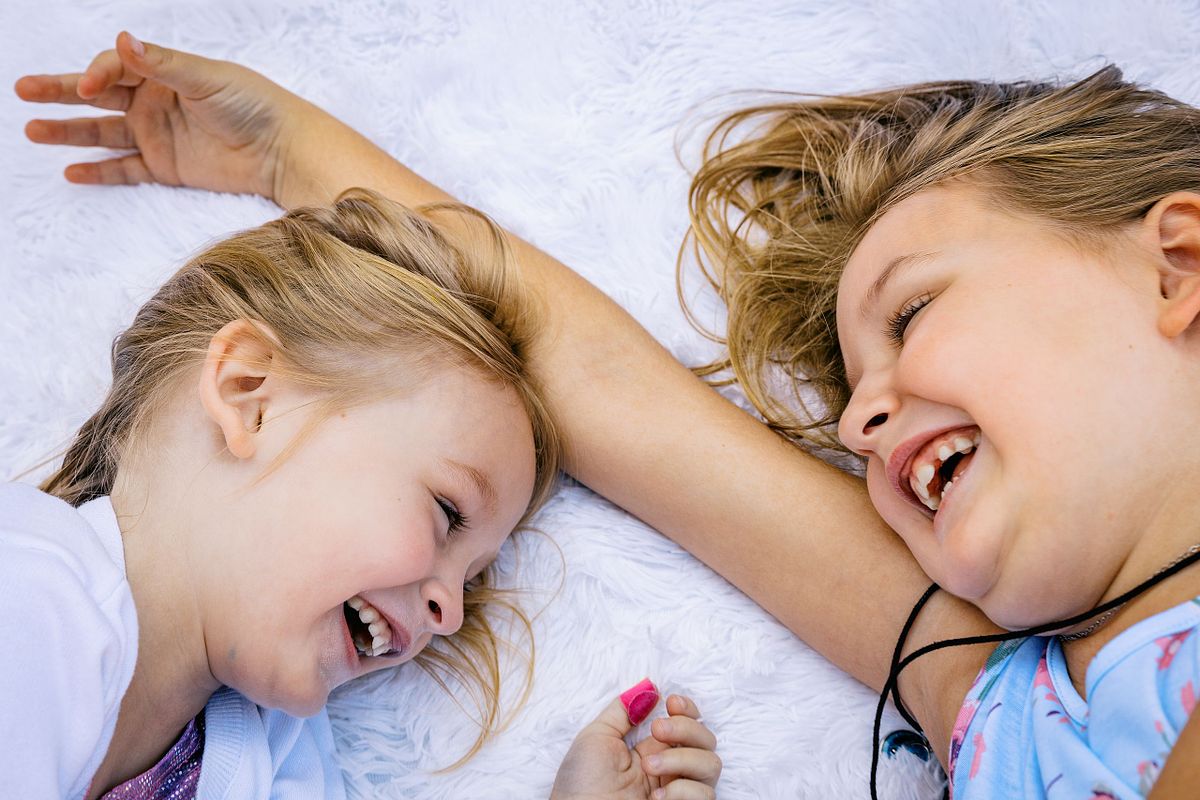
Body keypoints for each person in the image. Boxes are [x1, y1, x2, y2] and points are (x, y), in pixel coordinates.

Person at [17, 30, 1200, 797]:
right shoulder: (998, 699)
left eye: (913, 309)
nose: (859, 428)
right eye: (853, 397)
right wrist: (294, 157)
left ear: (1179, 263)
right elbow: (598, 391)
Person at [0, 148, 722, 797]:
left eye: (470, 580)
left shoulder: (280, 755)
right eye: (447, 513)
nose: (451, 615)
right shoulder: (31, 596)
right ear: (250, 395)